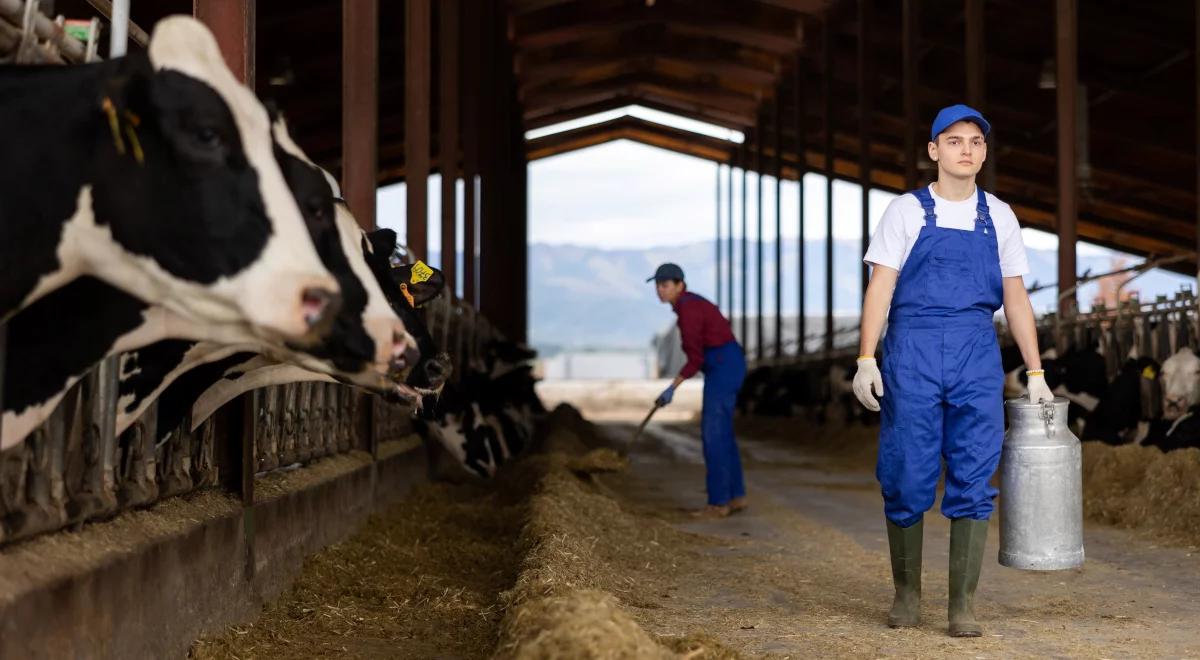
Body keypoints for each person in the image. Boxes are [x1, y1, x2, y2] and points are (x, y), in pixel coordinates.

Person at [852, 104, 1053, 637]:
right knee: (906, 469)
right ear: (934, 150)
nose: (967, 149)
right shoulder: (906, 211)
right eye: (956, 140)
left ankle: (961, 603)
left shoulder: (1001, 215)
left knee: (974, 468)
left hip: (975, 349)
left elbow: (1015, 297)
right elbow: (882, 286)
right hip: (912, 347)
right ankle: (907, 595)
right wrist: (866, 356)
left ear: (984, 153)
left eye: (977, 142)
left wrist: (1035, 373)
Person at [648, 263, 747, 518]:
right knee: (722, 432)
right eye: (658, 285)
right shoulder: (690, 303)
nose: (660, 290)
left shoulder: (688, 309)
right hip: (727, 362)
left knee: (713, 433)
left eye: (665, 285)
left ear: (680, 285)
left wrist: (672, 388)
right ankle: (736, 496)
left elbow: (694, 358)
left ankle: (718, 503)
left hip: (722, 365)